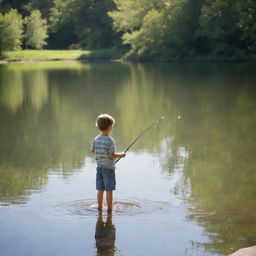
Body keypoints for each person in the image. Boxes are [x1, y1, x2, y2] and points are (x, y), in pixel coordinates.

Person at [91, 114, 126, 213]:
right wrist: (121, 155)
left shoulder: (96, 139)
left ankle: (100, 207)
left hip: (99, 168)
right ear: (109, 128)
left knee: (100, 189)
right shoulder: (110, 140)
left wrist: (101, 153)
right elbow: (111, 155)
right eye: (112, 126)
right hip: (108, 169)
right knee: (109, 190)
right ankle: (110, 209)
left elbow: (93, 151)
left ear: (98, 127)